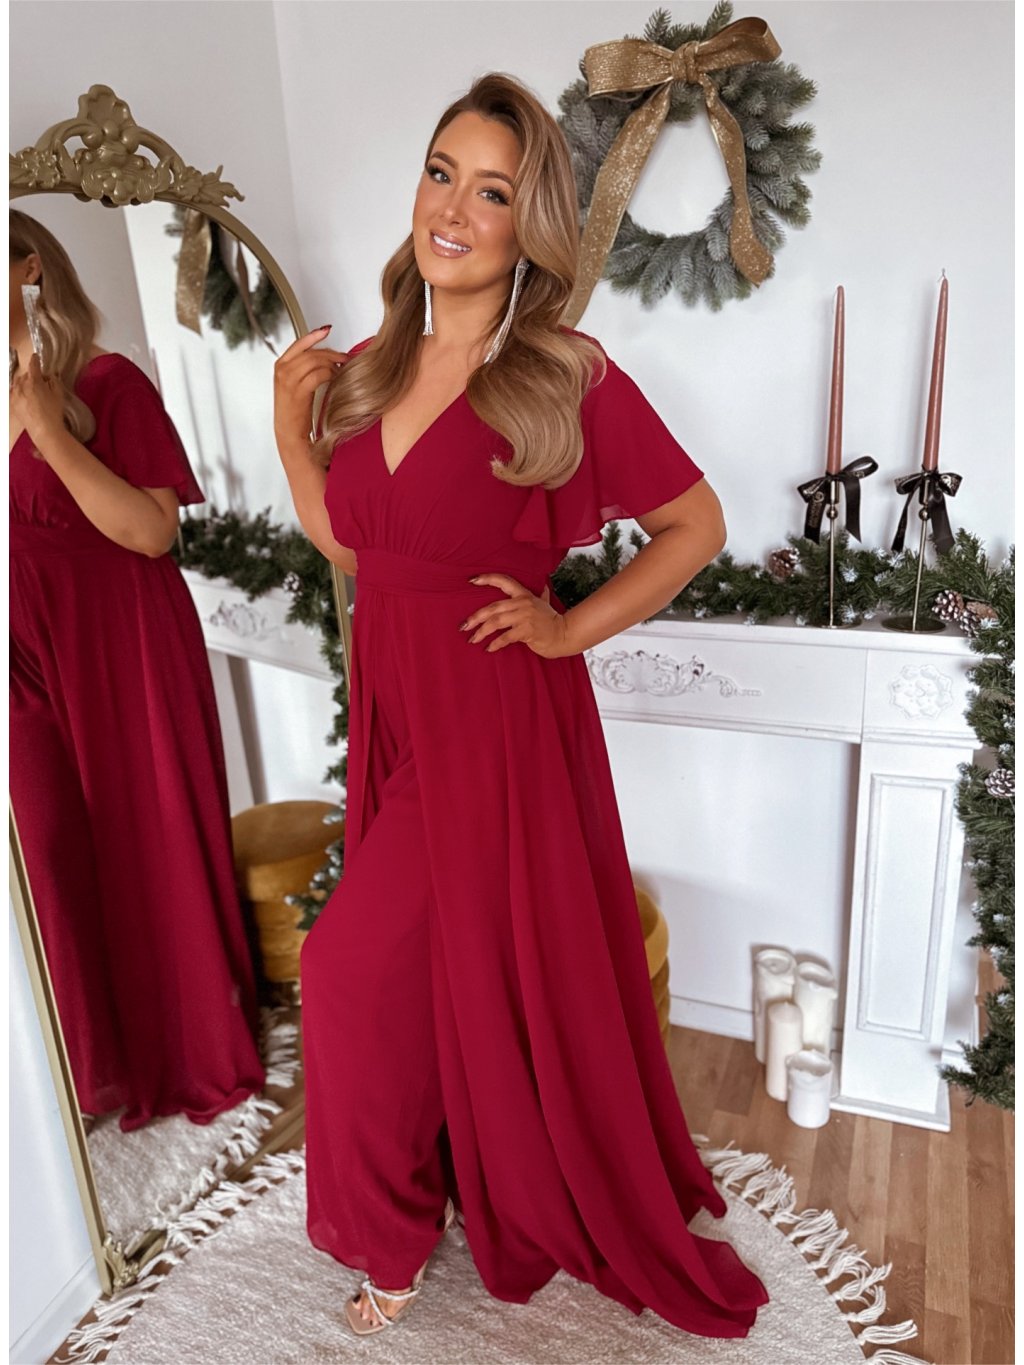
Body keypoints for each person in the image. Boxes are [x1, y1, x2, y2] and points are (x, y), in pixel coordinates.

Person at [274, 74, 769, 1339]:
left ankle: (388, 1236)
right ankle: (429, 1181)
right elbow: (356, 547)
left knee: (341, 969)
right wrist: (289, 432)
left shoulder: (560, 373)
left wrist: (564, 628)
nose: (453, 210)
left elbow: (695, 525)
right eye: (442, 173)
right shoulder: (373, 369)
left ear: (527, 226)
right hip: (396, 714)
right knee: (420, 973)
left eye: (491, 192)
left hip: (492, 725)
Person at [9, 209, 266, 1133]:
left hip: (121, 647)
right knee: (47, 857)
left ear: (28, 269)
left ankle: (186, 1050)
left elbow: (154, 531)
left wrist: (51, 434)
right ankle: (93, 1071)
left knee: (149, 839)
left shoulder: (106, 383)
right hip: (23, 666)